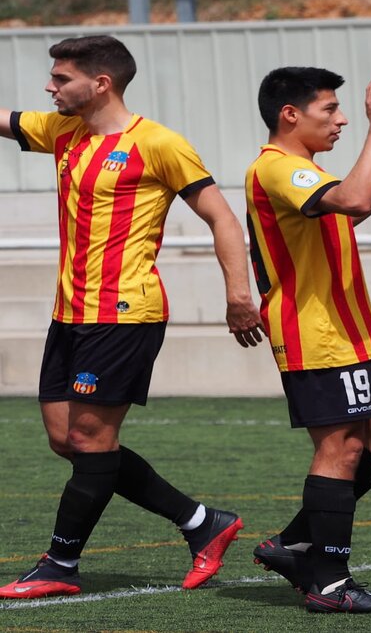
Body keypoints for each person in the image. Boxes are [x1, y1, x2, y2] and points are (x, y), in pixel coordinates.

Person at [0, 34, 260, 599]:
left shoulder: (159, 143)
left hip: (124, 313)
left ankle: (59, 566)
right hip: (69, 312)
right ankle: (202, 522)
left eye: (61, 78)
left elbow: (222, 218)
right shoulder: (62, 130)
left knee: (91, 440)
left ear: (101, 83)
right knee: (66, 440)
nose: (50, 87)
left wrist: (239, 293)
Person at [244, 67, 371, 614]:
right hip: (317, 335)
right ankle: (330, 583)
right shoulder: (279, 168)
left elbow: (342, 214)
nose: (340, 121)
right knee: (342, 449)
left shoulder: (305, 173)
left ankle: (292, 543)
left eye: (343, 112)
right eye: (329, 110)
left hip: (351, 332)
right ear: (291, 114)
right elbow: (351, 202)